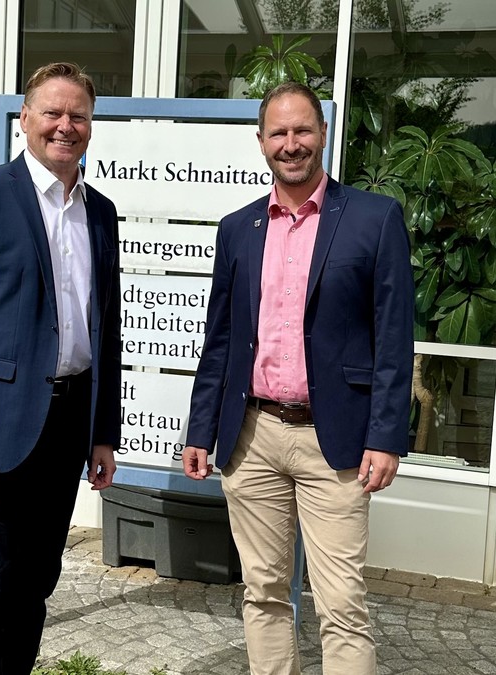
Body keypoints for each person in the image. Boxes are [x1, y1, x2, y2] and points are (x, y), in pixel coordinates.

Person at [182, 81, 414, 674]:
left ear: (323, 135)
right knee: (261, 593)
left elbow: (394, 339)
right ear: (260, 142)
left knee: (341, 603)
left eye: (302, 130)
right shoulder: (238, 228)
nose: (292, 144)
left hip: (332, 441)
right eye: (279, 133)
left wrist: (386, 436)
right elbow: (222, 340)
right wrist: (199, 430)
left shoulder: (374, 218)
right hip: (251, 436)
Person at [0, 62, 121, 674]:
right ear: (26, 120)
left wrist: (103, 431)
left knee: (36, 587)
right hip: (0, 432)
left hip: (67, 429)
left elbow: (104, 327)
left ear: (91, 125)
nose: (66, 126)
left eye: (78, 116)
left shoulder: (99, 211)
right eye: (52, 113)